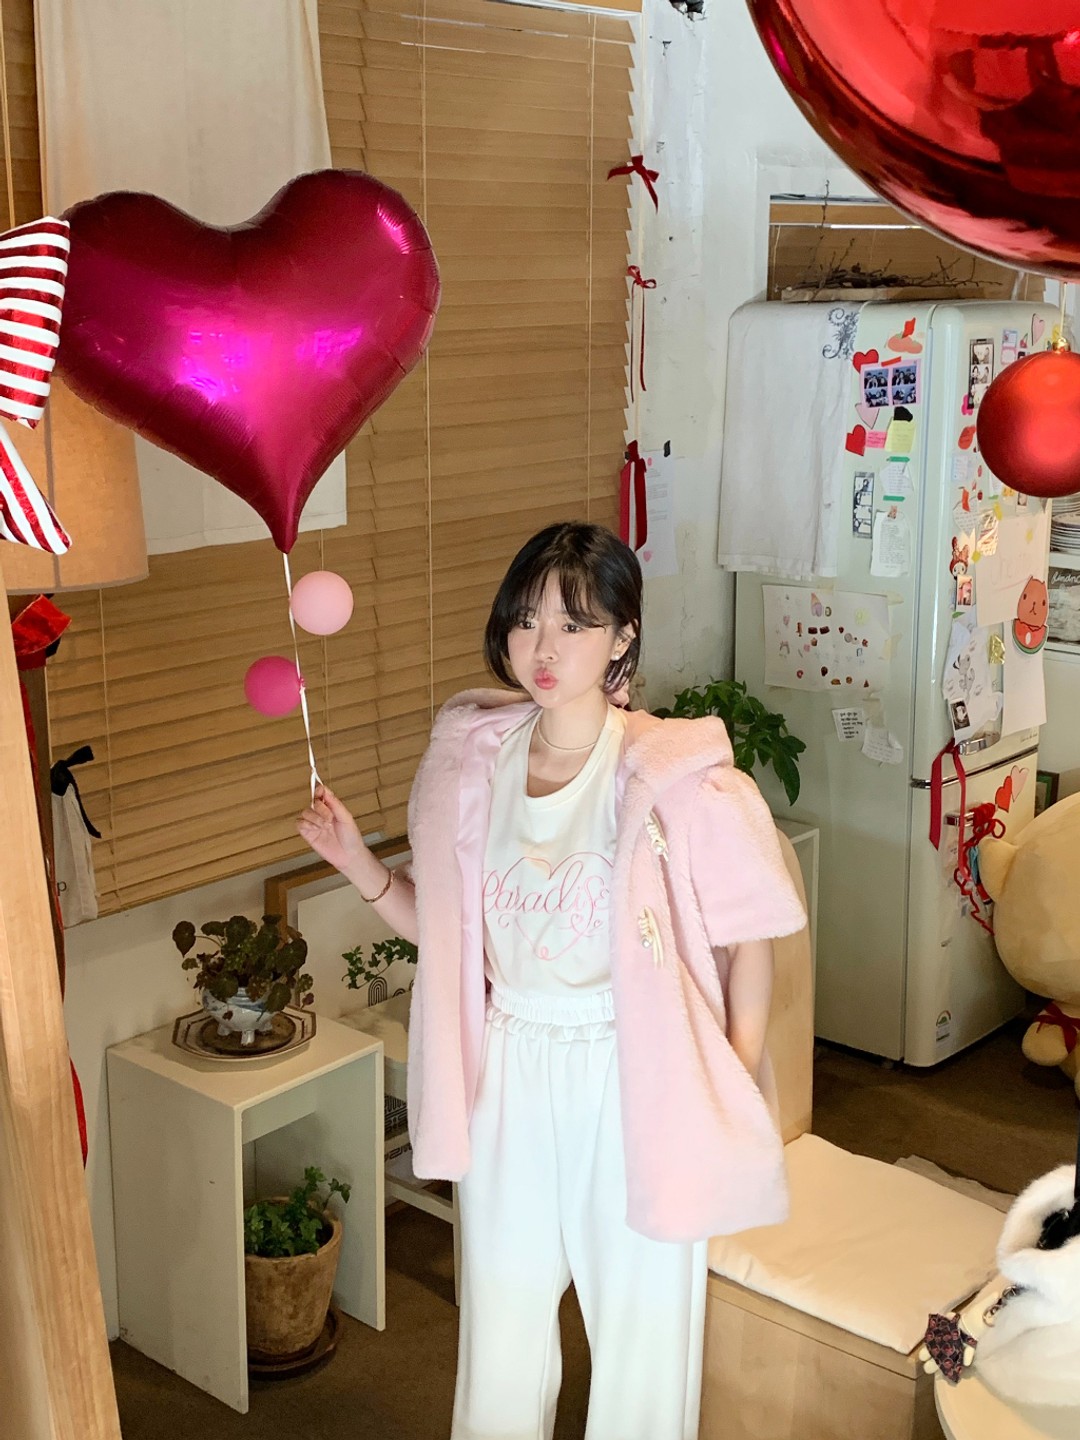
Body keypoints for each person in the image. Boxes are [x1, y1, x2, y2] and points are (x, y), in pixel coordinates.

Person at [298, 522, 805, 1440]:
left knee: (644, 1331)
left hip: (634, 1067)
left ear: (622, 637)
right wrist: (355, 865)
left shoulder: (675, 774)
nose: (544, 647)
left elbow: (748, 946)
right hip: (512, 1066)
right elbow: (449, 937)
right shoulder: (469, 766)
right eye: (527, 619)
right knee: (501, 1320)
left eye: (575, 624)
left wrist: (724, 1083)